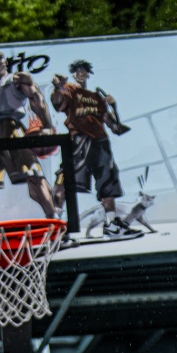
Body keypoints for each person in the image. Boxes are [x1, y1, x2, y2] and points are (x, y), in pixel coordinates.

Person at [0, 51, 56, 222]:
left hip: (11, 128)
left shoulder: (18, 79)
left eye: (1, 63)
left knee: (35, 175)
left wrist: (48, 126)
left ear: (6, 63)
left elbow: (37, 99)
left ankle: (53, 216)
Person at [50, 59, 129, 237]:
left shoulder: (97, 97)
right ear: (73, 74)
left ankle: (111, 223)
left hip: (101, 142)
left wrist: (114, 107)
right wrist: (57, 88)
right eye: (77, 70)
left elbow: (115, 127)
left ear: (88, 74)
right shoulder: (69, 90)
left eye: (84, 70)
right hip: (79, 139)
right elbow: (57, 104)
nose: (81, 73)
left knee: (108, 181)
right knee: (65, 179)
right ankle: (55, 225)